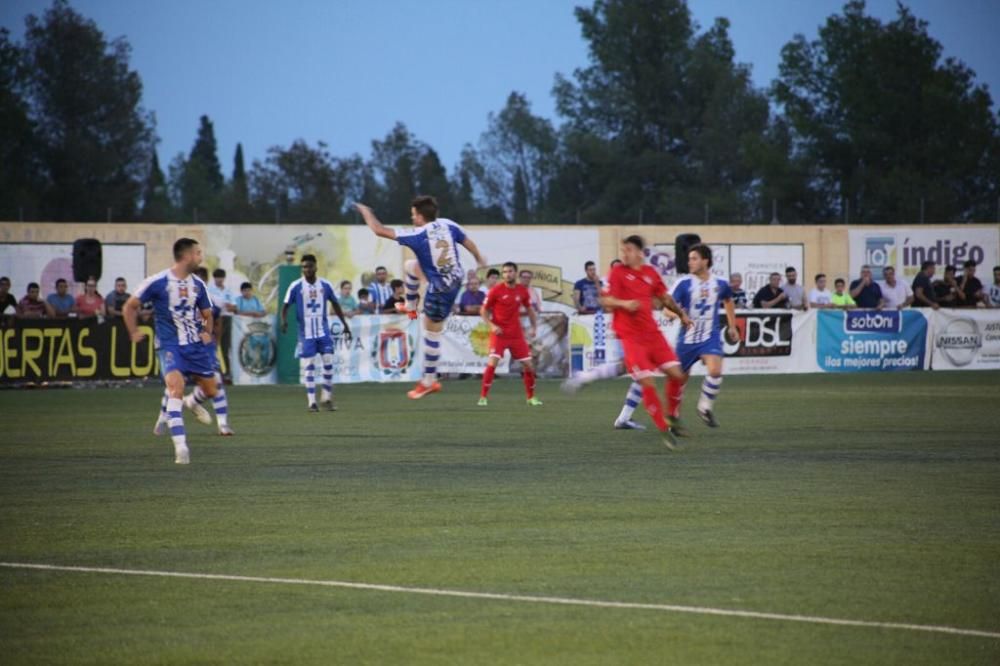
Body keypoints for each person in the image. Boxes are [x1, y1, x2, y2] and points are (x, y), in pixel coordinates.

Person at [355, 195, 487, 400]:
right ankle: (410, 305)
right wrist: (479, 259)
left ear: (420, 216)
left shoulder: (417, 234)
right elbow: (468, 242)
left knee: (431, 333)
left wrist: (366, 212)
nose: (411, 217)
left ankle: (428, 381)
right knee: (410, 267)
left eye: (413, 214)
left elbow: (378, 230)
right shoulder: (447, 224)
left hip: (442, 288)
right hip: (455, 277)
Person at [123, 238, 218, 465]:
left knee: (212, 390)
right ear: (186, 256)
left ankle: (192, 403)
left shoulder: (198, 285)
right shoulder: (157, 282)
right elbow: (129, 306)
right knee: (175, 388)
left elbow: (207, 314)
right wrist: (133, 331)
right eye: (198, 253)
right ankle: (181, 448)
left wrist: (207, 331)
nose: (200, 257)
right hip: (169, 345)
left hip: (194, 346)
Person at [599, 235, 692, 449]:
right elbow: (605, 299)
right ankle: (663, 429)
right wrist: (623, 303)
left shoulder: (650, 273)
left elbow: (665, 298)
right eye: (622, 250)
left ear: (641, 252)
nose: (624, 254)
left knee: (679, 375)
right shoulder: (617, 273)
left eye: (628, 250)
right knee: (647, 382)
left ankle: (671, 417)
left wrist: (681, 315)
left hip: (652, 335)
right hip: (631, 338)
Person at [666, 244, 740, 429]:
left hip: (710, 335)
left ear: (705, 260)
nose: (690, 262)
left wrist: (732, 326)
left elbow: (728, 300)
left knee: (715, 371)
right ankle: (673, 417)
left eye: (694, 258)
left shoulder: (720, 283)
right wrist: (679, 315)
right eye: (689, 258)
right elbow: (667, 310)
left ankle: (704, 407)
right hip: (687, 339)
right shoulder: (683, 284)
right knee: (679, 380)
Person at [155, 267, 234, 436]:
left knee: (216, 381)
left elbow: (217, 320)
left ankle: (222, 424)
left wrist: (215, 340)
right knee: (175, 384)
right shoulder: (176, 300)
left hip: (204, 349)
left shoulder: (213, 301)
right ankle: (163, 417)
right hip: (182, 347)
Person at [281, 254, 352, 412]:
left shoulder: (325, 285)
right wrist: (283, 320)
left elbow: (335, 303)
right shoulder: (296, 286)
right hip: (306, 333)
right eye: (304, 267)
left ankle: (326, 398)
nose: (306, 269)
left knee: (328, 362)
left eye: (309, 266)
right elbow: (285, 305)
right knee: (309, 365)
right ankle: (312, 402)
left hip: (323, 331)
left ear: (316, 267)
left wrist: (344, 324)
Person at [478, 261, 542, 407]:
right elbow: (483, 310)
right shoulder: (496, 290)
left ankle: (531, 398)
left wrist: (534, 327)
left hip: (516, 335)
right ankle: (483, 397)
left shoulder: (522, 291)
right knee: (492, 363)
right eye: (505, 272)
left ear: (515, 273)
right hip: (499, 334)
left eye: (510, 271)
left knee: (528, 366)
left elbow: (530, 309)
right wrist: (492, 326)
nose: (507, 274)